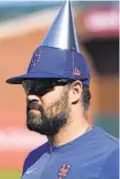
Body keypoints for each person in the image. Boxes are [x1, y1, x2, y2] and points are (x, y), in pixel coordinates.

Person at [6, 1, 118, 179]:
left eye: (42, 86)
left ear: (75, 91)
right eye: (28, 87)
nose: (31, 96)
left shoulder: (113, 158)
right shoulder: (33, 160)